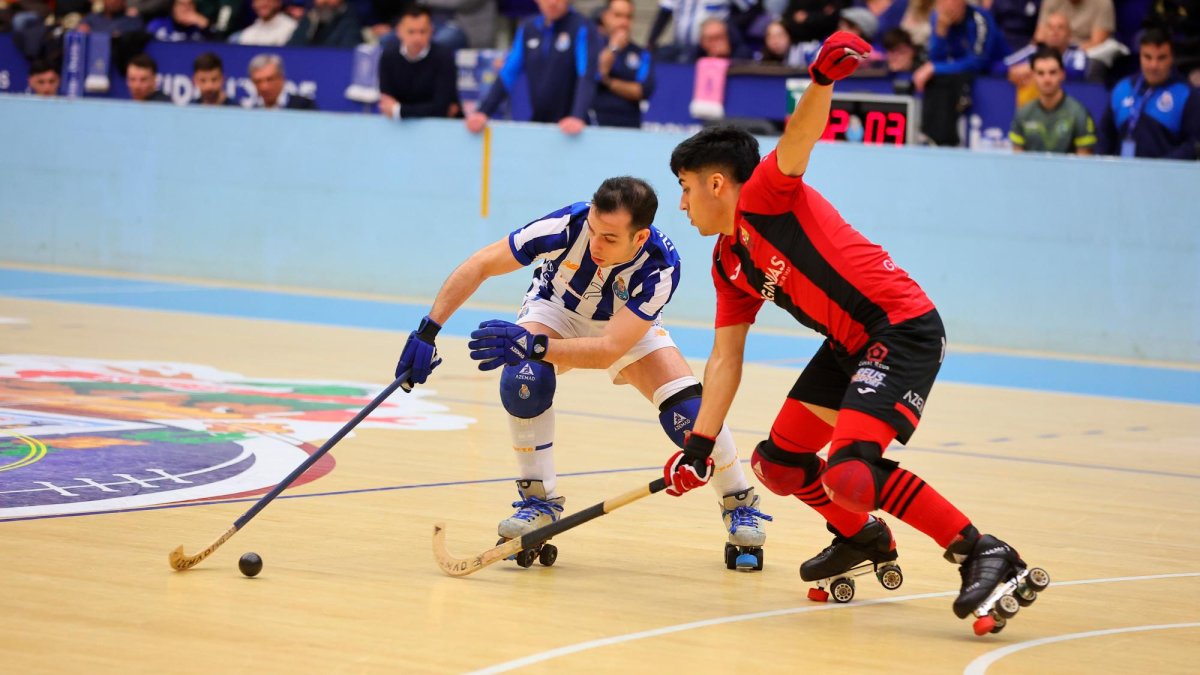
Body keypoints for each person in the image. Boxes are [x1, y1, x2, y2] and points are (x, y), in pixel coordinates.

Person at [665, 30, 1041, 627]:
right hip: (849, 346)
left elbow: (799, 137)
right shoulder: (728, 263)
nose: (682, 206)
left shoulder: (765, 195)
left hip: (901, 328)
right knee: (778, 463)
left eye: (685, 190)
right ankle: (862, 537)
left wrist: (821, 80)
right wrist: (699, 447)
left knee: (850, 469)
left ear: (716, 183)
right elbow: (724, 360)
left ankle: (982, 550)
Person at [393, 177, 773, 569]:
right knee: (525, 377)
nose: (595, 245)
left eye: (610, 238)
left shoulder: (661, 266)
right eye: (594, 230)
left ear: (639, 237)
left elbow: (609, 348)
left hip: (623, 327)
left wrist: (532, 345)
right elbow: (482, 264)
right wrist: (428, 330)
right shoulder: (567, 225)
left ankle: (739, 502)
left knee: (690, 413)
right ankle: (537, 502)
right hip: (555, 312)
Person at [466, 0, 598, 136]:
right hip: (539, 122)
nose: (552, 2)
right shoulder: (529, 28)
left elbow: (587, 75)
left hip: (574, 126)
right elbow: (508, 73)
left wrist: (577, 116)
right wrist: (483, 112)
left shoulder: (582, 27)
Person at [912, 0, 1007, 146]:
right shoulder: (937, 18)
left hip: (995, 67)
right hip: (957, 73)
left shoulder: (980, 19)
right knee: (937, 79)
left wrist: (935, 68)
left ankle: (948, 140)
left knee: (942, 75)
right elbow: (936, 58)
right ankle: (929, 136)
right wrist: (940, 34)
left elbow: (978, 61)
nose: (946, 7)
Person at [1097, 27, 1200, 159]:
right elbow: (1105, 136)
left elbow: (1193, 144)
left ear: (1172, 58)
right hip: (1123, 173)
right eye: (1147, 57)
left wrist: (1160, 168)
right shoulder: (1123, 88)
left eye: (1161, 58)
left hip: (1167, 175)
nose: (1153, 65)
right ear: (1140, 56)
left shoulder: (1186, 94)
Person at [377, 4, 461, 120]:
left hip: (441, 128)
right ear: (399, 31)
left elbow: (441, 108)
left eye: (422, 31)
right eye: (411, 32)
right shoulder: (389, 56)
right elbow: (387, 103)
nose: (417, 38)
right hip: (400, 129)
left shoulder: (444, 56)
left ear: (431, 30)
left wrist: (399, 110)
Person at [1009, 45, 1096, 153]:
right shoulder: (1023, 114)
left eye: (1052, 72)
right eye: (1040, 73)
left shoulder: (1078, 113)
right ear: (1033, 76)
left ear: (1062, 74)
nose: (1047, 79)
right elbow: (1017, 161)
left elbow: (1084, 163)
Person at [592, 0, 655, 128]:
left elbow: (641, 91)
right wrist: (614, 47)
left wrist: (608, 82)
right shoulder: (592, 46)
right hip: (595, 122)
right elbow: (598, 72)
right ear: (605, 17)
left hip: (629, 125)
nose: (623, 22)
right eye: (618, 15)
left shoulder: (641, 54)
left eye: (628, 17)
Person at [248, 53, 318, 109]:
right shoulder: (249, 109)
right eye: (258, 81)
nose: (264, 87)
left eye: (270, 79)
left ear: (281, 78)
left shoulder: (304, 106)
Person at [286, 0, 363, 47]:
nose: (325, 1)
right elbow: (293, 49)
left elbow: (346, 54)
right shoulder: (310, 18)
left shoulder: (350, 21)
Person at [229, 0, 297, 45]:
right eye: (258, 1)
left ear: (278, 3)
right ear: (253, 4)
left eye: (268, 1)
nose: (263, 4)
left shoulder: (291, 27)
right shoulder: (249, 32)